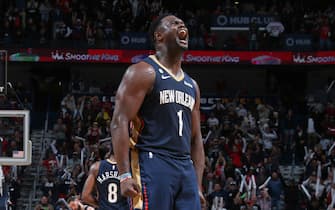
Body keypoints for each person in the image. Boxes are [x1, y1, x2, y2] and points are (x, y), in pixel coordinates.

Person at [111, 14, 206, 210]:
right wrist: (124, 175)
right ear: (159, 36)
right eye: (174, 23)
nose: (181, 25)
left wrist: (197, 185)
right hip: (153, 159)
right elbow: (118, 122)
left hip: (184, 165)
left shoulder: (192, 85)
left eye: (183, 23)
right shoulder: (143, 72)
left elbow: (196, 139)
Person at [81, 145, 129, 210]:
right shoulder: (129, 168)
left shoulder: (96, 167)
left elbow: (85, 196)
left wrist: (102, 205)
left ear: (110, 151)